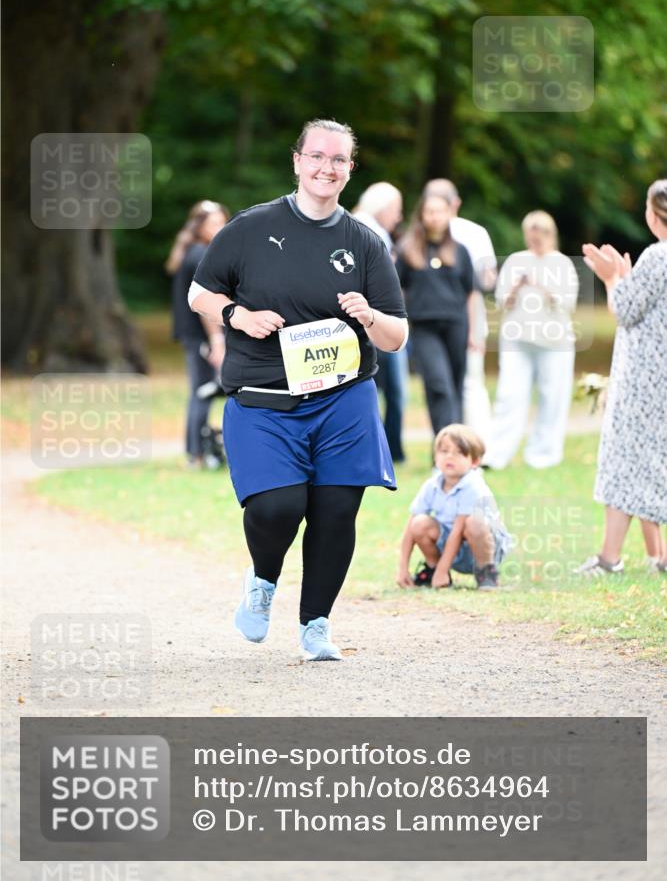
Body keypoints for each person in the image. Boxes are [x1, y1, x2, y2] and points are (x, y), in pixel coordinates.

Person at [189, 118, 408, 660]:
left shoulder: (364, 242)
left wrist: (369, 315)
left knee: (336, 510)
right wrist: (237, 316)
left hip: (343, 397)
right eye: (317, 156)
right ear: (297, 161)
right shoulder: (250, 227)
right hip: (264, 398)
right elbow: (199, 293)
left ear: (350, 169)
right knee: (278, 506)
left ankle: (316, 626)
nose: (326, 168)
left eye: (338, 159)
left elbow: (397, 336)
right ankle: (263, 580)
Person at [576, 180, 667, 577]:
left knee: (623, 461)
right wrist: (627, 277)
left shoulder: (658, 255)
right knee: (652, 461)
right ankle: (658, 556)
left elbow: (625, 310)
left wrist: (612, 278)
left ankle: (609, 558)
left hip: (645, 380)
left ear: (654, 214)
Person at [484, 211, 578, 469]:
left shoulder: (562, 263)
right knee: (509, 396)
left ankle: (544, 454)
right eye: (531, 236)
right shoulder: (516, 260)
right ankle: (497, 454)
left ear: (550, 234)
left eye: (540, 236)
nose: (535, 241)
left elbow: (567, 302)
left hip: (554, 343)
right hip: (518, 340)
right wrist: (517, 286)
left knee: (552, 397)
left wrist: (539, 284)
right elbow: (502, 301)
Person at [396, 187, 475, 434]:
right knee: (439, 384)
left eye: (440, 211)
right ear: (421, 215)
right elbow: (395, 289)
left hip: (456, 325)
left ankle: (455, 445)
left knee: (455, 386)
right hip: (423, 327)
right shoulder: (408, 250)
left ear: (449, 214)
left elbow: (471, 293)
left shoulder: (460, 251)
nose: (434, 217)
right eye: (429, 211)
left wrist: (475, 332)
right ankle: (445, 440)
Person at [424, 178, 497, 446]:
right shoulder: (474, 232)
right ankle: (474, 445)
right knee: (470, 384)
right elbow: (488, 279)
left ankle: (457, 445)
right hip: (462, 316)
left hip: (457, 316)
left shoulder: (424, 234)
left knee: (450, 385)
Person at [396, 424, 511, 591]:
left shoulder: (473, 486)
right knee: (419, 523)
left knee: (474, 522)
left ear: (474, 461)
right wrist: (402, 568)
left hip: (482, 547)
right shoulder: (431, 485)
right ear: (435, 457)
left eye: (458, 453)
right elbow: (410, 527)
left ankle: (486, 572)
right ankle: (433, 570)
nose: (450, 457)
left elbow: (458, 530)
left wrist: (443, 569)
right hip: (450, 545)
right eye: (444, 451)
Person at [166, 200, 228, 467]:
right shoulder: (201, 255)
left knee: (199, 391)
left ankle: (196, 452)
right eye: (213, 223)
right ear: (199, 226)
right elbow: (205, 303)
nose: (220, 228)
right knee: (203, 391)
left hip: (192, 335)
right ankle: (197, 454)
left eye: (222, 222)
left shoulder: (190, 251)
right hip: (201, 336)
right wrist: (216, 340)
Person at [353, 181, 408, 462]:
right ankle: (390, 451)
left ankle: (383, 450)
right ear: (383, 206)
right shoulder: (373, 231)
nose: (398, 217)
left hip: (367, 320)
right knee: (393, 392)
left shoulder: (354, 225)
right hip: (377, 321)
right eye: (396, 209)